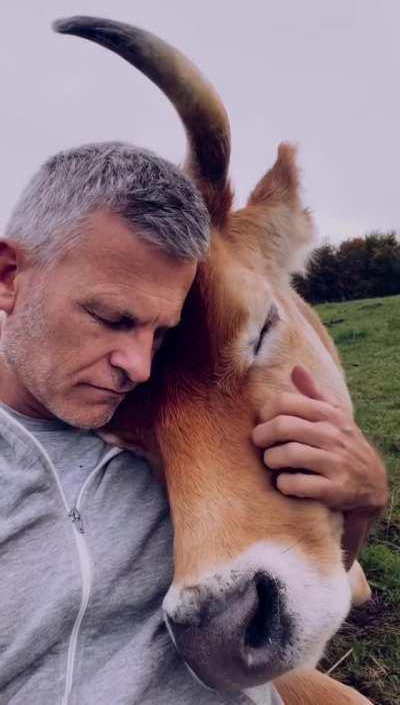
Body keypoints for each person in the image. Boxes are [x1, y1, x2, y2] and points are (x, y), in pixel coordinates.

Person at [0, 142, 387, 705]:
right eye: (110, 317)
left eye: (160, 333)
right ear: (9, 276)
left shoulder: (141, 408)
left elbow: (283, 598)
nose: (138, 365)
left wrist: (365, 501)